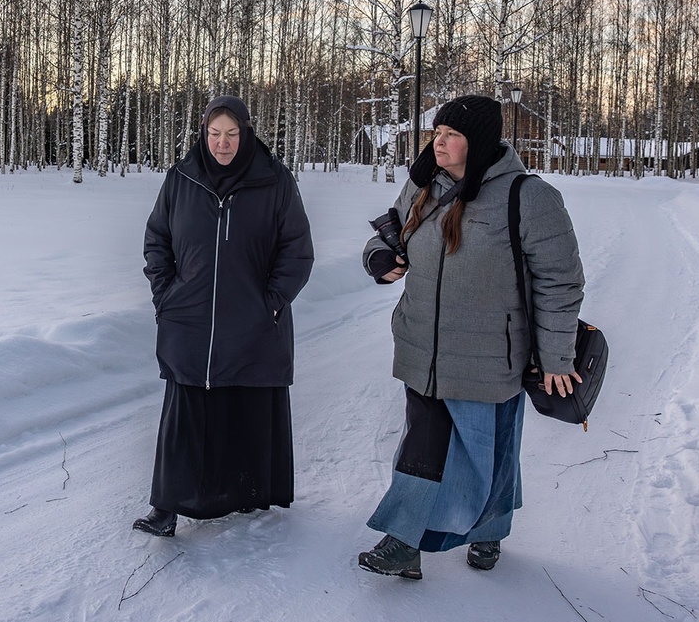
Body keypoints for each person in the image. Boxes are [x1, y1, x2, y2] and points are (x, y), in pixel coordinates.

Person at [356, 94, 584, 579]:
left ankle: (489, 530)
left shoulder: (528, 196)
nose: (439, 142)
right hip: (422, 347)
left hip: (490, 355)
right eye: (436, 132)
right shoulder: (425, 187)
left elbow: (560, 281)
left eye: (451, 135)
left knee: (491, 449)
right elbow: (388, 234)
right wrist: (378, 258)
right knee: (423, 445)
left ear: (477, 141)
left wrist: (557, 357)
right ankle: (405, 541)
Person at [134, 95, 315, 537]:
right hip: (189, 323)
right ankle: (167, 508)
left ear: (247, 133)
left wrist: (269, 302)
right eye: (215, 134)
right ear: (203, 133)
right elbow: (157, 239)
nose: (223, 144)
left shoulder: (275, 180)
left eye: (232, 134)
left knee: (248, 407)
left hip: (254, 322)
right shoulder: (181, 179)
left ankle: (249, 493)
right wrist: (167, 296)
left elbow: (297, 251)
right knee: (185, 417)